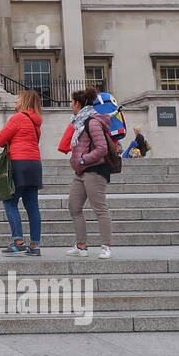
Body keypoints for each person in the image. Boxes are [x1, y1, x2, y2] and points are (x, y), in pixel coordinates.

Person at [58, 88, 114, 259]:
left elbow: (102, 148)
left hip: (95, 169)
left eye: (72, 102)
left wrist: (83, 159)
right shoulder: (80, 121)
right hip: (81, 171)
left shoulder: (93, 122)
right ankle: (81, 245)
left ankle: (105, 247)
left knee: (100, 208)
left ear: (78, 104)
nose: (70, 106)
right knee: (74, 206)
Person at [0, 90, 44, 256]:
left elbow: (1, 140)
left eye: (18, 98)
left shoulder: (18, 118)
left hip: (19, 162)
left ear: (24, 101)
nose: (15, 100)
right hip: (34, 163)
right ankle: (35, 245)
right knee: (32, 206)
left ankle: (18, 240)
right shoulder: (36, 122)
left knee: (9, 201)